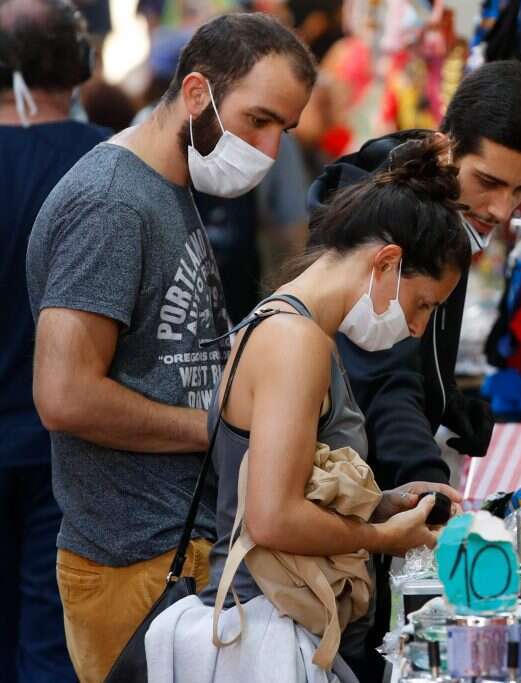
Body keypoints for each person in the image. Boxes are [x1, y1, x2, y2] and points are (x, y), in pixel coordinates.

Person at [25, 13, 317, 682]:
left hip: (176, 554)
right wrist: (215, 428)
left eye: (284, 129)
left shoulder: (166, 186)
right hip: (136, 562)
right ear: (195, 93)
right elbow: (64, 395)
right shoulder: (112, 203)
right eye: (258, 120)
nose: (269, 149)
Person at [145, 135, 466, 682]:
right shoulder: (296, 342)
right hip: (266, 630)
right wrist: (380, 538)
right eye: (422, 305)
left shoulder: (288, 326)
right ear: (387, 262)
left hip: (271, 622)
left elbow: (284, 483)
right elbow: (272, 517)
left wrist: (381, 504)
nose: (417, 328)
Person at [309, 61, 521, 678]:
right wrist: (428, 487)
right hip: (343, 509)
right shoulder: (392, 220)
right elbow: (382, 374)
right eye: (490, 181)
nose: (502, 208)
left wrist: (447, 402)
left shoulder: (450, 207)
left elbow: (411, 355)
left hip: (380, 492)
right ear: (448, 147)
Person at [0, 1, 107, 680]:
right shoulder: (111, 161)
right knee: (55, 649)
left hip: (58, 443)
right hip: (76, 449)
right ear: (77, 63)